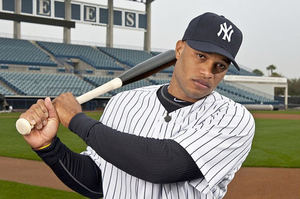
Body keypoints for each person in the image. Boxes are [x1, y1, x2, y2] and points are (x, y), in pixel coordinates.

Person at [20, 12, 255, 199]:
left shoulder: (233, 119)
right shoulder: (122, 102)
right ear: (180, 49)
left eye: (220, 66)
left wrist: (76, 120)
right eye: (201, 56)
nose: (207, 72)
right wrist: (49, 146)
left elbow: (163, 166)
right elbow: (97, 184)